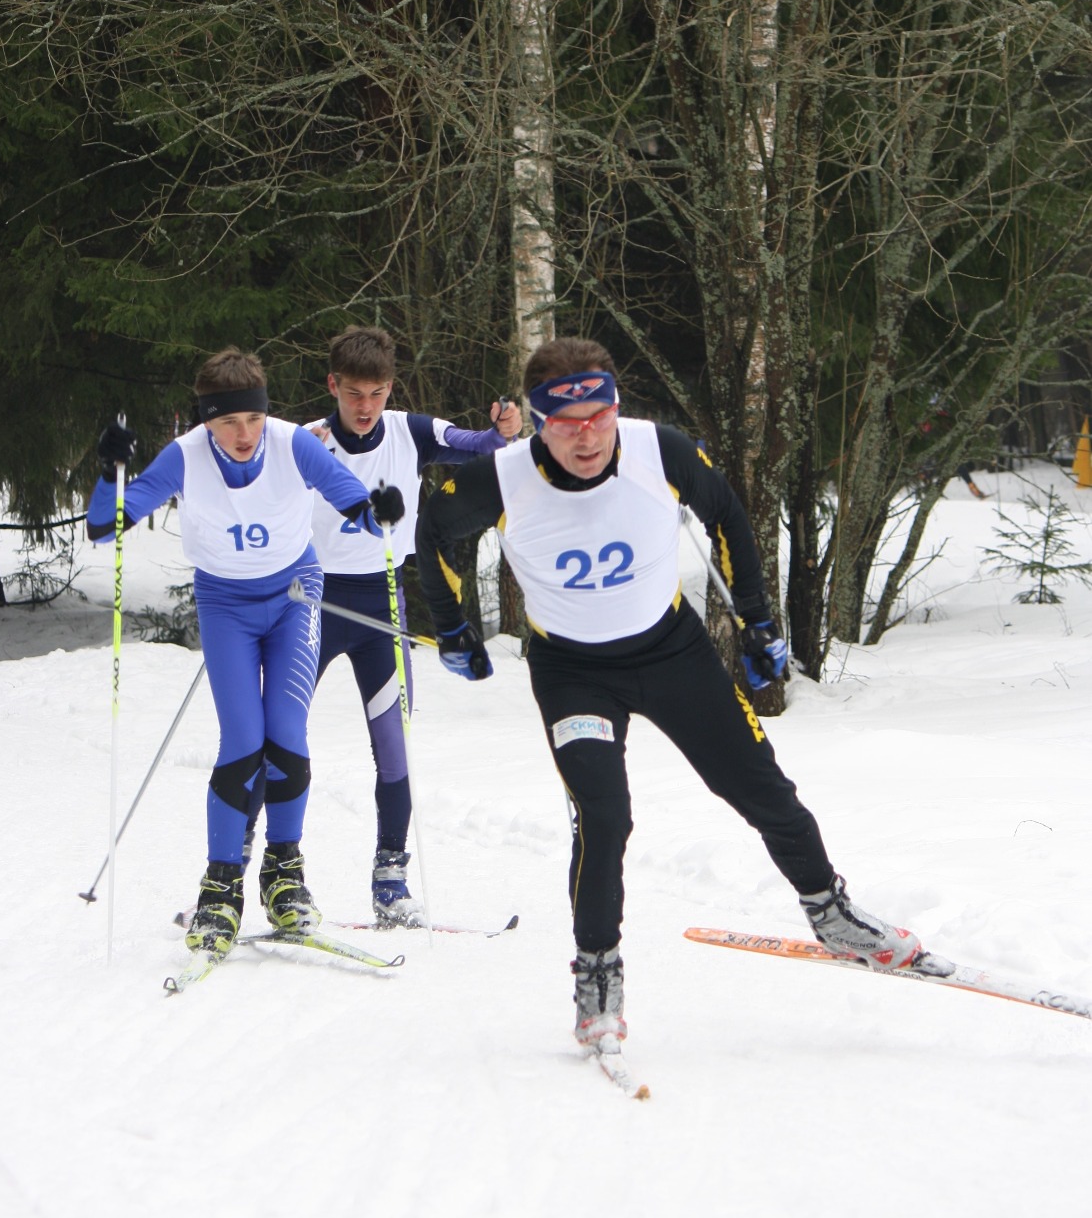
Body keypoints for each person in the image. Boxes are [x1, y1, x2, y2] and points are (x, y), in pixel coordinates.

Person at [414, 336, 927, 1054]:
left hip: (673, 653)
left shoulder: (661, 451)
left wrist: (758, 621)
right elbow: (434, 531)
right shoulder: (500, 478)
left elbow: (728, 517)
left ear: (616, 408)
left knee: (761, 789)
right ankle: (597, 976)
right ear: (537, 422)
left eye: (599, 416)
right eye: (566, 424)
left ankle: (833, 913)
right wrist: (454, 630)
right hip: (572, 672)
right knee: (605, 815)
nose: (587, 436)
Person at [87, 347, 404, 958]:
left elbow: (350, 498)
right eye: (228, 422)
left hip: (294, 595)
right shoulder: (183, 457)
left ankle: (285, 874)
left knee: (287, 733)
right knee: (242, 742)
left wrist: (377, 512)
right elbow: (107, 525)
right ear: (205, 420)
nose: (243, 435)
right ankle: (221, 884)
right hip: (225, 605)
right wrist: (110, 470)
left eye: (252, 420)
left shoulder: (290, 443)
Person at [297, 325, 521, 926]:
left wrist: (505, 430)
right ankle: (247, 875)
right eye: (353, 394)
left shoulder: (410, 430)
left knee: (393, 751)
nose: (364, 407)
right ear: (333, 387)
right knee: (276, 739)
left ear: (389, 389)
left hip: (380, 605)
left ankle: (390, 882)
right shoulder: (305, 440)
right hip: (312, 603)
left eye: (375, 393)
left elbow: (478, 445)